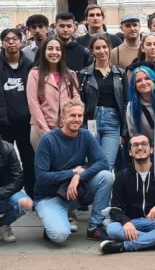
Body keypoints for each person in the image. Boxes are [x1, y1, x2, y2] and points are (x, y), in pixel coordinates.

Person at [34, 100, 113, 243]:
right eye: (72, 116)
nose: (77, 119)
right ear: (62, 118)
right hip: (49, 196)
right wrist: (72, 173)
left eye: (80, 116)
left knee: (106, 177)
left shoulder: (85, 135)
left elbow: (103, 162)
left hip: (74, 193)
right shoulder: (48, 140)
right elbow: (41, 176)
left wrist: (79, 176)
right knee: (60, 236)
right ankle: (53, 220)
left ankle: (95, 226)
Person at [99, 134, 155, 254]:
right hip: (132, 222)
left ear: (151, 149)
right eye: (135, 145)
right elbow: (115, 208)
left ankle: (125, 246)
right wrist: (125, 222)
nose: (140, 147)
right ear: (130, 152)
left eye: (144, 144)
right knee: (112, 229)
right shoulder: (122, 176)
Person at [78, 35, 128, 170]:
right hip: (91, 120)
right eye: (97, 48)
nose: (102, 51)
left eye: (104, 47)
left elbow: (125, 102)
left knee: (107, 165)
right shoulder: (84, 74)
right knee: (92, 163)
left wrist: (124, 131)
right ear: (92, 51)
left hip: (113, 121)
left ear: (109, 48)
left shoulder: (120, 73)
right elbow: (80, 101)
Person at [0, 29, 36, 199]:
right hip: (2, 123)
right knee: (2, 162)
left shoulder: (30, 66)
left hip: (26, 122)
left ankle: (32, 194)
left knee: (29, 160)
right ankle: (3, 197)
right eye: (7, 39)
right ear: (2, 43)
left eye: (14, 39)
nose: (11, 42)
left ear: (21, 41)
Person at [27, 37, 80, 150]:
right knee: (44, 165)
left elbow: (76, 101)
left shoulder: (70, 75)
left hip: (66, 128)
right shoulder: (34, 74)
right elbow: (33, 104)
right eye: (50, 49)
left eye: (58, 49)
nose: (54, 52)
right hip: (40, 128)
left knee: (66, 165)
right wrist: (46, 131)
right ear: (44, 52)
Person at [0, 132, 33, 243]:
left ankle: (3, 224)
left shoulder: (7, 148)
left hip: (4, 190)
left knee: (27, 204)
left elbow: (18, 180)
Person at [126, 66, 155, 141]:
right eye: (139, 81)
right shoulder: (131, 107)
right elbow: (134, 134)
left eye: (147, 78)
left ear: (153, 80)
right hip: (147, 148)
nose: (143, 83)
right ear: (134, 86)